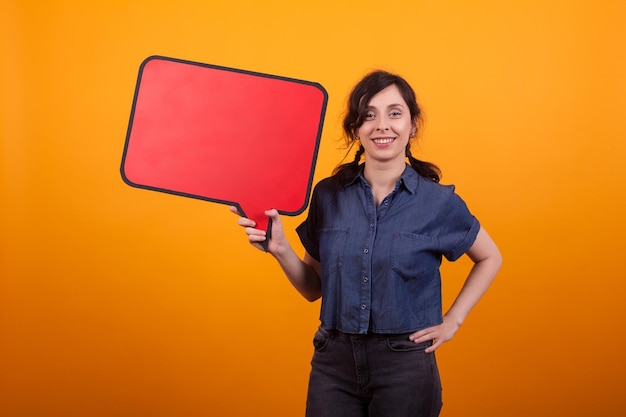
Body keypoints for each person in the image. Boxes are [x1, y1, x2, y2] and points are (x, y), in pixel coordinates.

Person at [230, 70, 502, 417]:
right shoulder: (328, 196)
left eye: (394, 113)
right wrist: (281, 249)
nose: (381, 125)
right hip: (334, 362)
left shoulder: (438, 203)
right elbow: (313, 288)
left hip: (404, 366)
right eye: (368, 115)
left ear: (412, 124)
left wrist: (454, 320)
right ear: (355, 129)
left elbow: (490, 257)